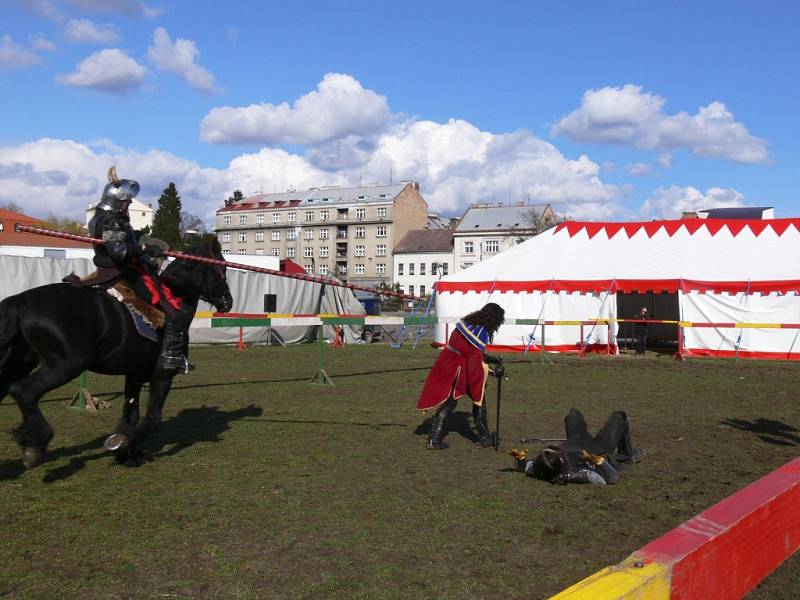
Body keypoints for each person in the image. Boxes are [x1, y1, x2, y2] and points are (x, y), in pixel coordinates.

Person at [87, 166, 192, 373]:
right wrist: (143, 248)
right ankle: (172, 355)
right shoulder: (111, 220)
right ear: (118, 201)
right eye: (127, 201)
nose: (129, 204)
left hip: (114, 267)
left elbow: (123, 239)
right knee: (170, 308)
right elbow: (118, 251)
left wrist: (146, 244)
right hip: (121, 271)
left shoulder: (102, 217)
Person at [417, 302, 505, 450]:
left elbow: (469, 351)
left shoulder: (468, 322)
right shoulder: (480, 333)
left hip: (448, 362)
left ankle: (435, 438)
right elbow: (474, 361)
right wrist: (493, 372)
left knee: (451, 402)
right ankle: (483, 437)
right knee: (475, 399)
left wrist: (491, 359)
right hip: (458, 369)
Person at [508, 408, 645, 485]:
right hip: (598, 447)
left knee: (573, 414)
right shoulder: (576, 473)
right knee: (619, 416)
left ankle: (624, 455)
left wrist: (520, 460)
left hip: (576, 440)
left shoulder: (541, 465)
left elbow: (525, 467)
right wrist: (600, 462)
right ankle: (627, 456)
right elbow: (611, 479)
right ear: (560, 459)